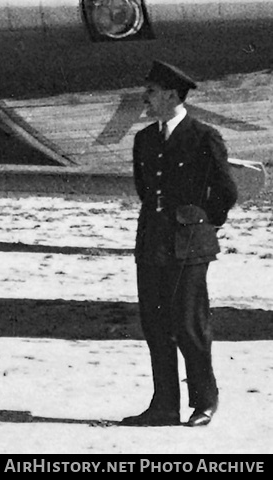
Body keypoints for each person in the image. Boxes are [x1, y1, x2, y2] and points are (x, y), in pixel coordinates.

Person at [121, 60, 238, 428]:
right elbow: (145, 188)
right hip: (152, 243)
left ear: (172, 95)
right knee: (155, 325)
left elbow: (226, 192)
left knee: (189, 324)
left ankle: (204, 401)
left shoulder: (204, 136)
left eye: (152, 91)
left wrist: (200, 224)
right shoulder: (144, 139)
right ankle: (164, 405)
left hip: (190, 245)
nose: (146, 97)